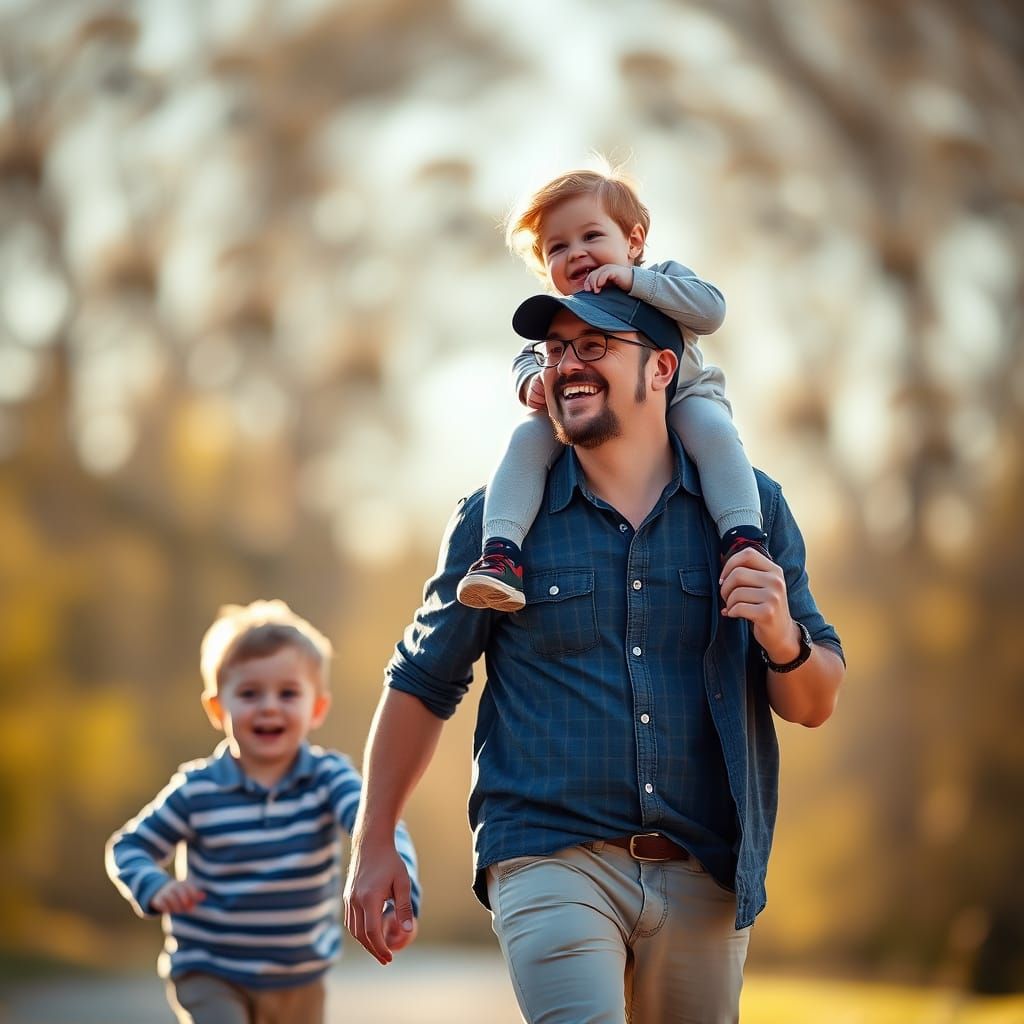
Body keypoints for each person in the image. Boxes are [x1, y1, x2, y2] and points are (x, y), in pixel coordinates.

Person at [343, 286, 845, 1023]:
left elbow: (816, 700)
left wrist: (780, 635)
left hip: (705, 870)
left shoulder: (750, 511)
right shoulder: (498, 523)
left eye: (594, 346)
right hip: (548, 857)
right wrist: (374, 836)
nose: (566, 366)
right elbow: (423, 679)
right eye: (554, 351)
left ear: (662, 368)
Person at [457, 164, 765, 614]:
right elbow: (527, 356)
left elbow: (711, 311)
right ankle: (502, 554)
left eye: (591, 236)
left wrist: (636, 282)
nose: (576, 252)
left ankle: (742, 541)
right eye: (557, 247)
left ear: (634, 242)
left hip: (683, 395)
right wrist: (529, 380)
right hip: (584, 406)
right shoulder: (559, 314)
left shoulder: (661, 278)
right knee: (526, 436)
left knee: (714, 432)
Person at [106, 599, 420, 1024]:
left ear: (316, 709)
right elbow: (128, 847)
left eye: (288, 693)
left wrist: (400, 902)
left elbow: (381, 828)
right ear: (218, 709)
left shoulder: (328, 780)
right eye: (250, 693)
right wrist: (154, 886)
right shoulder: (197, 791)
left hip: (300, 978)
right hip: (210, 971)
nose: (269, 706)